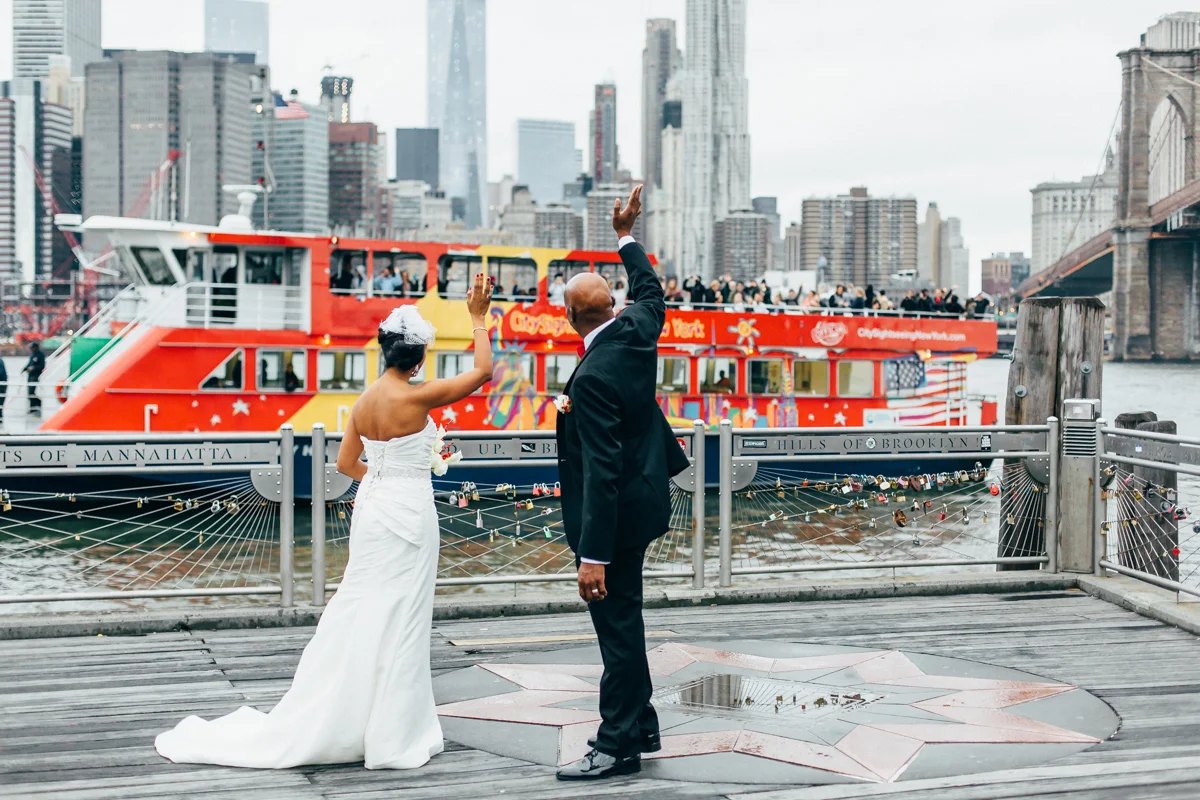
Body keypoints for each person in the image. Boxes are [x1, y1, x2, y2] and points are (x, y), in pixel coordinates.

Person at [154, 273, 496, 771]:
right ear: (419, 358)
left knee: (361, 608)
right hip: (408, 512)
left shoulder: (364, 402)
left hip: (374, 510)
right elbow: (482, 372)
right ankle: (393, 730)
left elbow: (344, 466)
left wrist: (384, 476)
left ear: (385, 353)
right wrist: (479, 317)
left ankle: (347, 713)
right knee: (404, 617)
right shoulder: (417, 398)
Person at [554, 185, 689, 781]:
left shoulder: (592, 378)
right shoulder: (637, 328)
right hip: (646, 499)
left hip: (617, 518)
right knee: (627, 621)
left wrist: (593, 557)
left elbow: (601, 471)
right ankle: (644, 723)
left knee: (618, 630)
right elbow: (653, 290)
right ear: (611, 305)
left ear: (568, 317)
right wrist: (626, 235)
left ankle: (616, 745)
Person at [23, 342, 44, 417]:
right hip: (30, 375)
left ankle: (38, 404)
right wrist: (24, 369)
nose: (31, 349)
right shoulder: (33, 355)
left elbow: (41, 366)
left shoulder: (40, 355)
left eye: (32, 348)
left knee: (32, 391)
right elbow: (30, 364)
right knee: (29, 393)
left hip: (35, 375)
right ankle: (32, 408)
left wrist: (34, 368)